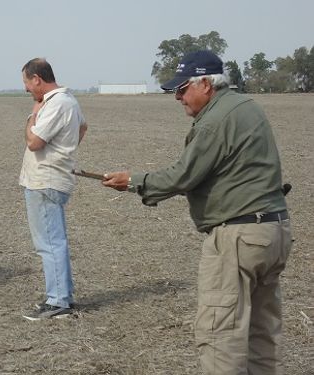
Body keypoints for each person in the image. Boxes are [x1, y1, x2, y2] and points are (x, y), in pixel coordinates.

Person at [102, 50, 292, 374]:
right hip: (273, 232)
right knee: (260, 336)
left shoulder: (216, 120)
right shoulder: (247, 107)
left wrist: (134, 182)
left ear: (205, 83)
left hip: (238, 238)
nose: (177, 97)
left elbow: (183, 174)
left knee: (220, 337)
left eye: (181, 88)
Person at [19, 58, 88, 320]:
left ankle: (57, 300)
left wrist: (31, 118)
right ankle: (63, 295)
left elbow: (34, 142)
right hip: (54, 177)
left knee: (48, 242)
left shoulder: (55, 103)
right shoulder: (69, 100)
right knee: (54, 240)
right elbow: (83, 127)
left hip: (44, 180)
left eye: (27, 82)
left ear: (37, 79)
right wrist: (65, 152)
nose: (26, 89)